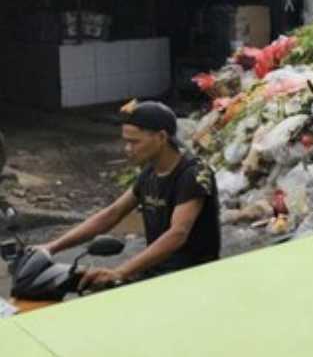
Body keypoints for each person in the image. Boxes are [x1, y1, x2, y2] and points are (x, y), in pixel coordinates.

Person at [40, 100, 220, 290]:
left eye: (134, 142)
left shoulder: (193, 173)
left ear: (161, 137)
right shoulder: (150, 172)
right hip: (155, 272)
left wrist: (121, 271)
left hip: (191, 278)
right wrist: (51, 247)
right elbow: (112, 213)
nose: (127, 149)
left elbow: (178, 233)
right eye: (126, 141)